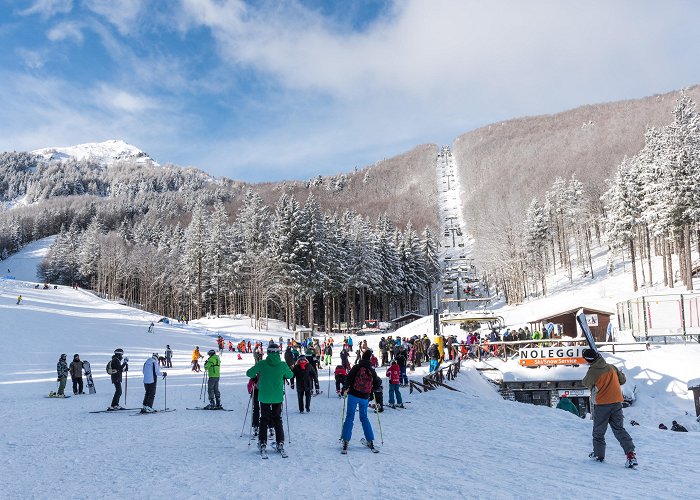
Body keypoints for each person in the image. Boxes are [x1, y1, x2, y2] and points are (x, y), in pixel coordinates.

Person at [581, 348, 637, 467]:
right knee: (619, 429)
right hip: (617, 403)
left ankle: (599, 454)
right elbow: (623, 380)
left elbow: (585, 383)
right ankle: (631, 455)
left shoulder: (593, 372)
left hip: (602, 405)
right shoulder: (612, 367)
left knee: (599, 431)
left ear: (588, 360)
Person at [246, 343, 293, 457]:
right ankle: (280, 442)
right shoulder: (282, 365)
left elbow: (249, 373)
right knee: (277, 419)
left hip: (264, 396)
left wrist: (255, 375)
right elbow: (290, 375)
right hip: (277, 397)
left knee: (264, 419)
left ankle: (262, 443)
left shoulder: (262, 364)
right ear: (278, 352)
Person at [340, 350, 381, 452]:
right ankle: (370, 440)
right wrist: (371, 392)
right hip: (364, 397)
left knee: (350, 417)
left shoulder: (356, 367)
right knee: (364, 418)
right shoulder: (371, 370)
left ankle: (345, 440)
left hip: (353, 395)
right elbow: (378, 383)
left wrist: (344, 389)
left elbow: (348, 378)